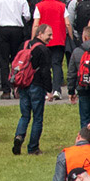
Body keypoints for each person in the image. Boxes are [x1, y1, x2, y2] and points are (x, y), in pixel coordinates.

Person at [14, 24, 53, 156]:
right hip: (37, 86)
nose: (51, 38)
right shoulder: (43, 49)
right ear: (40, 34)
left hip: (23, 84)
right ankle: (33, 148)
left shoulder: (24, 45)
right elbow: (45, 72)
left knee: (24, 115)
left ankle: (19, 136)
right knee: (37, 117)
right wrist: (49, 90)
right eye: (49, 35)